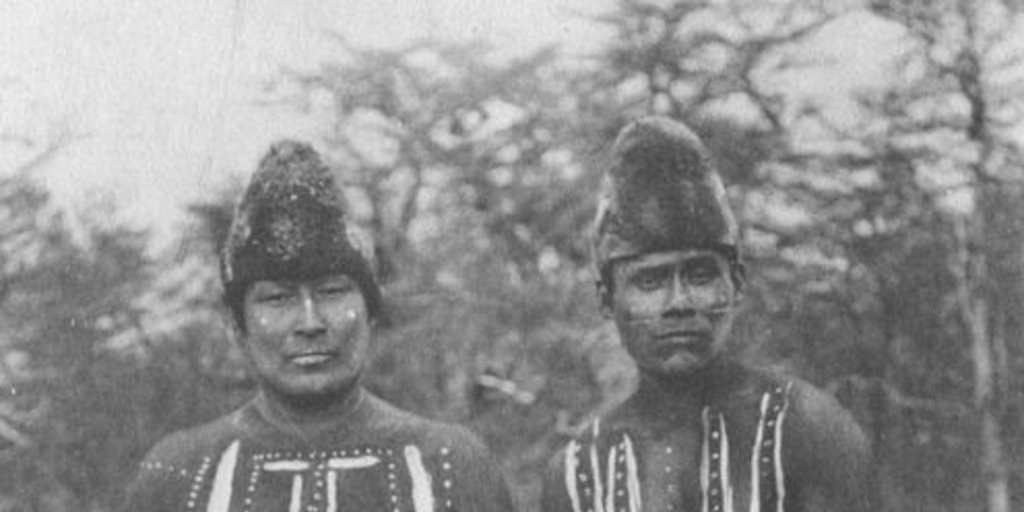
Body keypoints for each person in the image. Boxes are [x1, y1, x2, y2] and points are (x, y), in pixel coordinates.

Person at [123, 141, 514, 512]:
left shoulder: (451, 465)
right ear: (236, 325)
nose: (310, 322)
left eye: (332, 291)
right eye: (278, 298)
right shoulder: (179, 473)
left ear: (371, 312)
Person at [540, 117, 873, 512]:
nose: (679, 301)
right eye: (650, 281)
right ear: (607, 300)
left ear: (736, 282)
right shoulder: (581, 471)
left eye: (700, 275)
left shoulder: (806, 427)